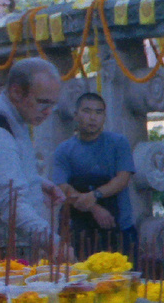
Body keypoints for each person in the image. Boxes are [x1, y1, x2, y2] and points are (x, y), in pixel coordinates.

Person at [0, 57, 70, 259]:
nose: (48, 112)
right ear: (16, 92)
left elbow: (2, 172)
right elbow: (11, 203)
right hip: (7, 249)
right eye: (43, 103)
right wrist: (54, 243)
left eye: (53, 105)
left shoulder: (15, 118)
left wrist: (38, 182)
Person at [50, 92, 137, 257]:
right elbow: (62, 186)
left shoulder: (118, 143)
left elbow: (123, 179)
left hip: (120, 228)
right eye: (87, 111)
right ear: (76, 115)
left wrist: (95, 194)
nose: (93, 118)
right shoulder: (64, 150)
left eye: (99, 112)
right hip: (79, 231)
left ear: (104, 116)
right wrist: (94, 207)